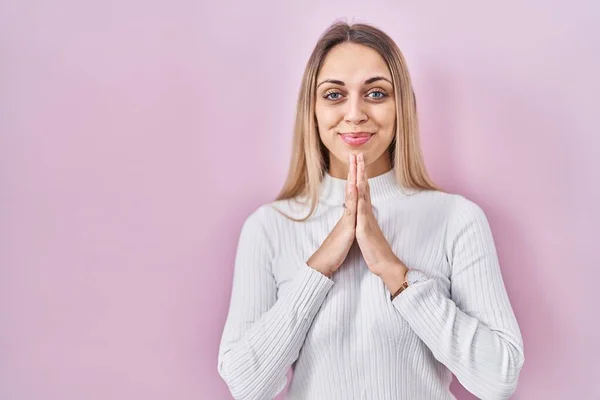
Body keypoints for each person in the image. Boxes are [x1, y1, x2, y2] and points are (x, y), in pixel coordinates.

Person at [217, 21, 524, 400]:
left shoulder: (456, 219)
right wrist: (319, 267)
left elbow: (499, 380)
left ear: (401, 107)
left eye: (376, 93)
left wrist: (395, 273)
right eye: (333, 95)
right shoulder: (268, 227)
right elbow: (247, 385)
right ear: (311, 110)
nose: (355, 113)